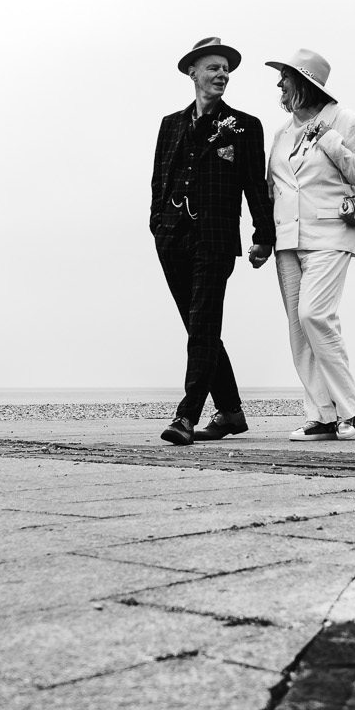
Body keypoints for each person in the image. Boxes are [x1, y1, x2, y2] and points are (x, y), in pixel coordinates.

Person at [150, 36, 275, 446]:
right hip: (171, 236)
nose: (222, 74)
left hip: (216, 239)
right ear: (193, 72)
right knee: (197, 327)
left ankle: (186, 417)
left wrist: (263, 236)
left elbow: (255, 185)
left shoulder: (243, 126)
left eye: (226, 69)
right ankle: (231, 411)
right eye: (214, 67)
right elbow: (158, 181)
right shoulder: (170, 124)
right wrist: (157, 224)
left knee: (203, 324)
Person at [265, 47, 355, 440]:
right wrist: (264, 239)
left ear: (304, 82)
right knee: (298, 330)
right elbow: (272, 189)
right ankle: (321, 415)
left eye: (285, 77)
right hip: (287, 241)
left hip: (330, 234)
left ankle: (349, 409)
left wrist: (331, 141)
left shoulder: (345, 120)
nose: (278, 84)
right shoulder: (280, 133)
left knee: (315, 315)